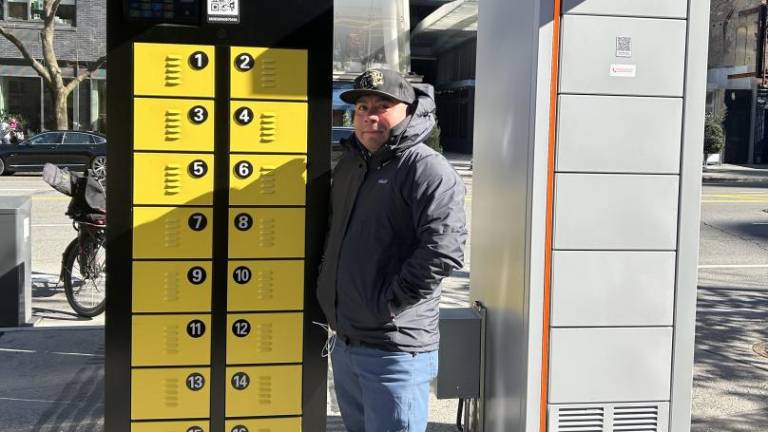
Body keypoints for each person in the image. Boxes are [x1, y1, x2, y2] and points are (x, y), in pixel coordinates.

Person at [317, 68, 467, 432]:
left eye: (383, 106)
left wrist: (386, 304)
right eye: (362, 107)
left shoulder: (426, 169)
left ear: (408, 111)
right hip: (346, 341)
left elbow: (443, 250)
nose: (370, 116)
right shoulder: (351, 165)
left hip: (394, 349)